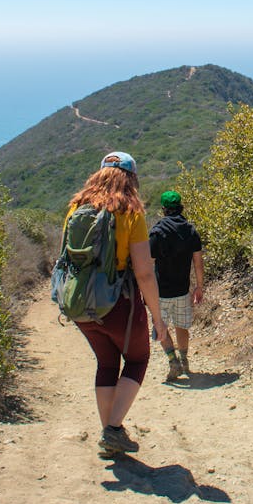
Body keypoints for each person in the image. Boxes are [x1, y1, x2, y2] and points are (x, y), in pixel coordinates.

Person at [63, 151, 171, 458]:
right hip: (119, 305)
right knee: (137, 359)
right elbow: (144, 273)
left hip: (80, 303)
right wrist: (158, 318)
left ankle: (110, 433)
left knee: (107, 363)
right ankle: (112, 430)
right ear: (131, 178)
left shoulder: (75, 208)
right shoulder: (130, 211)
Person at [149, 190, 204, 382]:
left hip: (160, 291)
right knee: (182, 326)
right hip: (182, 289)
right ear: (180, 206)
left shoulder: (157, 232)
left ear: (163, 209)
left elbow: (148, 264)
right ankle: (184, 359)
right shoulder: (190, 230)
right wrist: (199, 287)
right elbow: (198, 262)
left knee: (160, 327)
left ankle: (173, 362)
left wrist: (144, 291)